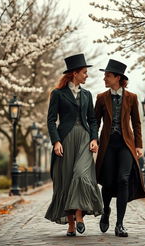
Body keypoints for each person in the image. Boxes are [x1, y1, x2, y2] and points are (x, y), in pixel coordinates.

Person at [45, 53, 103, 236]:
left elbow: (93, 120)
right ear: (75, 74)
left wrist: (94, 139)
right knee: (67, 181)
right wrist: (56, 141)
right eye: (84, 72)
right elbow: (51, 120)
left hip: (84, 140)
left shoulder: (87, 95)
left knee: (81, 174)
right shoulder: (58, 94)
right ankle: (71, 225)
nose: (87, 75)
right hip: (66, 140)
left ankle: (80, 217)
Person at [95, 59, 145, 237]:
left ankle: (120, 224)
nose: (105, 78)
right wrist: (94, 139)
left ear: (118, 77)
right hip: (108, 145)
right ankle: (106, 209)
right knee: (108, 182)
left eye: (108, 75)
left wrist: (138, 144)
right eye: (105, 76)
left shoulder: (132, 97)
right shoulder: (101, 98)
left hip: (126, 144)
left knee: (123, 179)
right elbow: (95, 122)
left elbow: (137, 122)